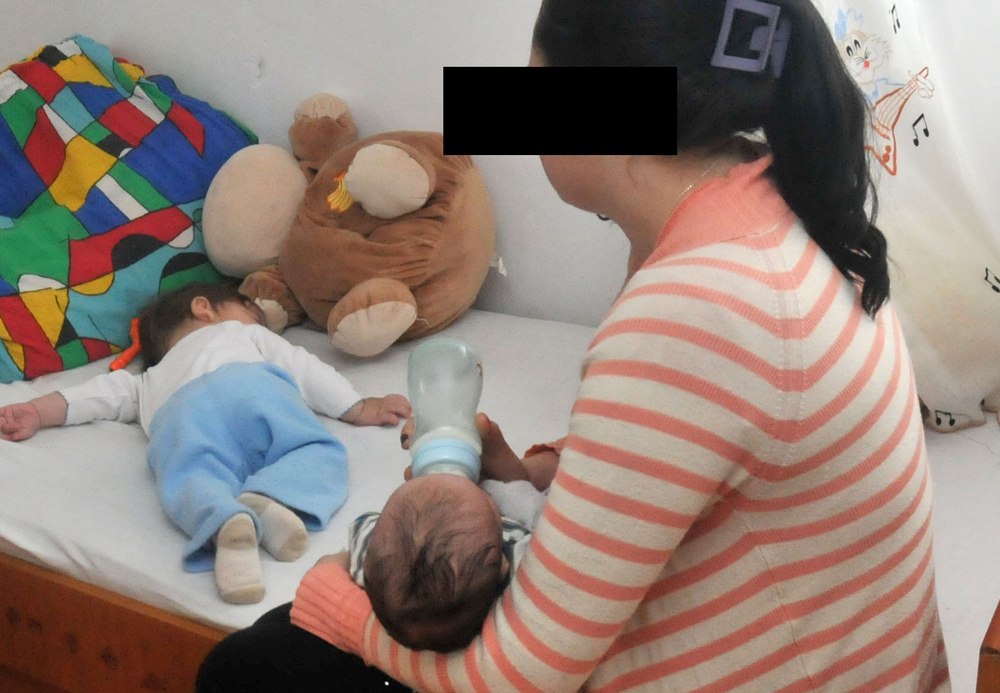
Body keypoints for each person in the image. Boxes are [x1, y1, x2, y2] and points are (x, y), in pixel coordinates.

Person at [201, 0, 952, 690]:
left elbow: (522, 675)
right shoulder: (769, 204)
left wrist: (337, 606)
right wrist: (534, 470)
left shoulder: (691, 307)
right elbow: (709, 449)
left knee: (255, 664)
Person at [0, 282, 410, 605]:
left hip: (181, 417)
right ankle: (270, 499)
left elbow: (91, 397)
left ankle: (222, 521)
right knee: (315, 451)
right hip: (253, 389)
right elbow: (302, 366)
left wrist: (35, 410)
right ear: (205, 309)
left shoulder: (146, 382)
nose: (262, 326)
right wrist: (357, 406)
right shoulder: (240, 335)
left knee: (191, 478)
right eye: (253, 313)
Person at [344, 418, 558, 653]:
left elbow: (363, 523)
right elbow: (550, 530)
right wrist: (498, 488)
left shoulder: (372, 558)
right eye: (485, 496)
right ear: (503, 567)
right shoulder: (520, 568)